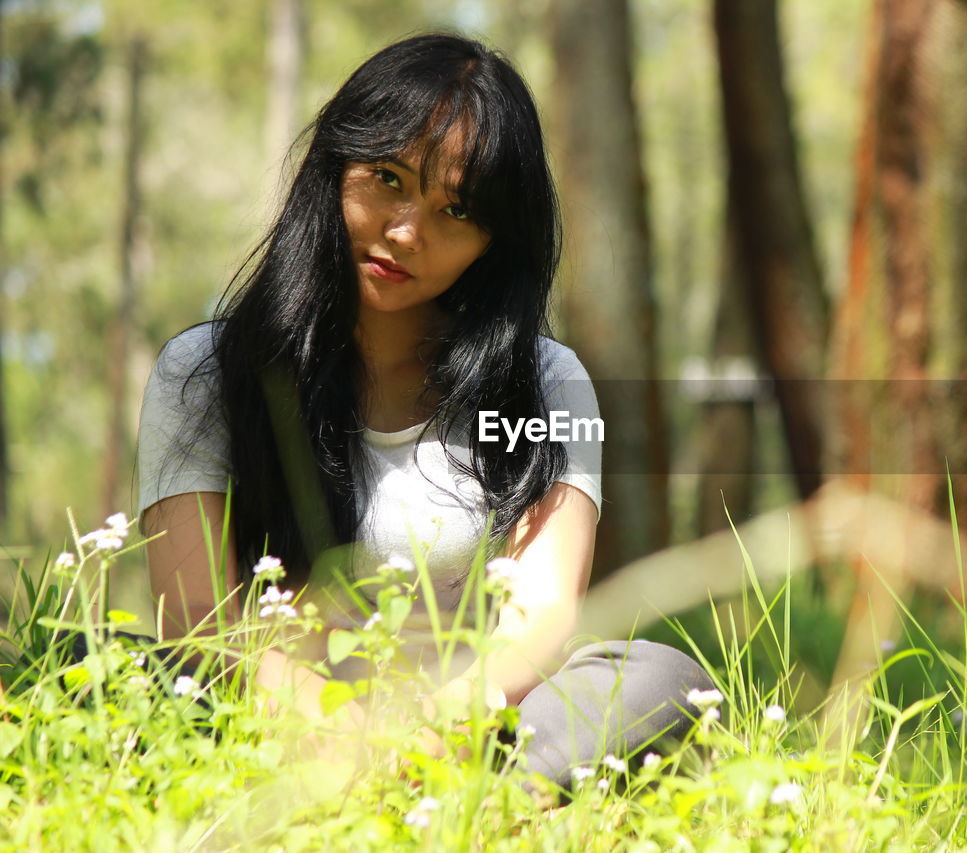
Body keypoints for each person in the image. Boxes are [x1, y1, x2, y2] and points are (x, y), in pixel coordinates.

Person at [136, 33, 713, 792]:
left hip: (475, 737)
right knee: (118, 668)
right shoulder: (208, 373)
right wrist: (342, 730)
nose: (407, 231)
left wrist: (429, 737)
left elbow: (540, 616)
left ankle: (462, 808)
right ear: (334, 165)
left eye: (456, 210)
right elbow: (199, 618)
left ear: (494, 241)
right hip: (271, 727)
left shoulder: (547, 385)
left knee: (664, 679)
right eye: (387, 177)